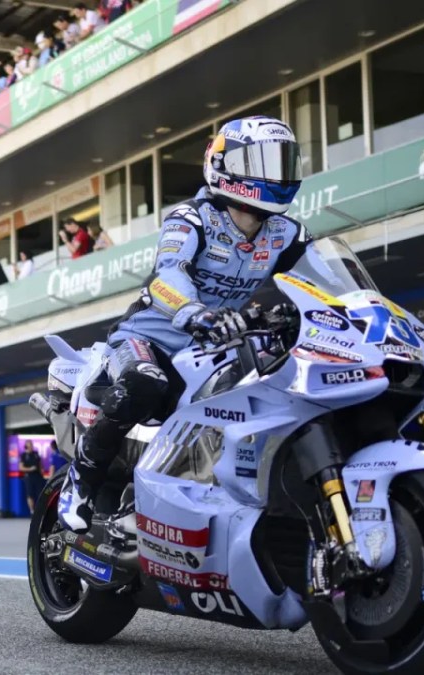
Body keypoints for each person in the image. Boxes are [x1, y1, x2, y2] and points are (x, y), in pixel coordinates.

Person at [60, 116, 309, 532]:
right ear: (226, 165)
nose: (277, 173)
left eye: (283, 161)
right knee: (145, 382)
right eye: (263, 161)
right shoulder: (192, 218)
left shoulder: (286, 232)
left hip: (212, 350)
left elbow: (320, 278)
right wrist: (197, 313)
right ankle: (80, 482)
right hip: (148, 338)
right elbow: (168, 275)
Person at [19, 441, 44, 514]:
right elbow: (21, 467)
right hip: (29, 477)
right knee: (30, 494)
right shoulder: (23, 455)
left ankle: (40, 511)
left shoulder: (36, 454)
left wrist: (41, 470)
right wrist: (30, 469)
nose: (31, 447)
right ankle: (32, 511)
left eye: (32, 445)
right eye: (30, 445)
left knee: (40, 493)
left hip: (38, 476)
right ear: (26, 446)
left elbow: (40, 464)